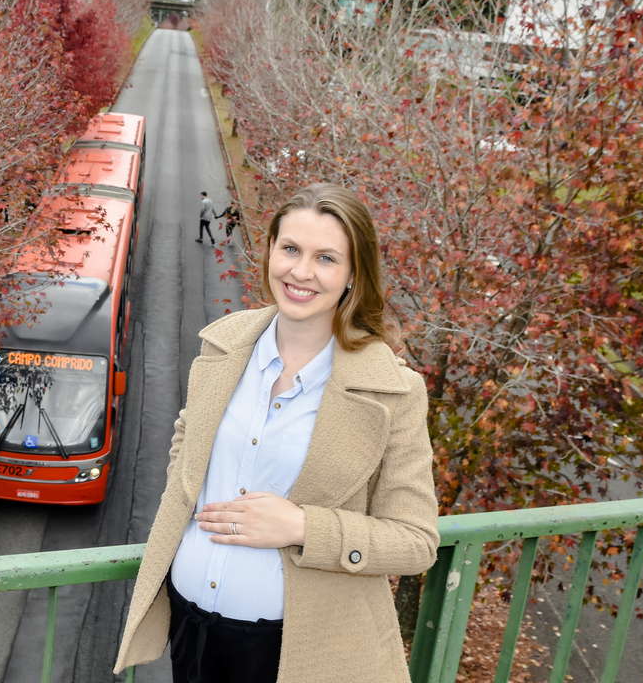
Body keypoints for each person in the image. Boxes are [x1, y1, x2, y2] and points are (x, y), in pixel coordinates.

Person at [115, 183, 439, 683]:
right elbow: (186, 441)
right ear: (269, 249)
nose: (301, 272)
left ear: (354, 274)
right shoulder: (222, 346)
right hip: (189, 623)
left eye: (327, 258)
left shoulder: (394, 392)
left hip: (293, 651)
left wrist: (303, 527)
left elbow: (416, 541)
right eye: (290, 249)